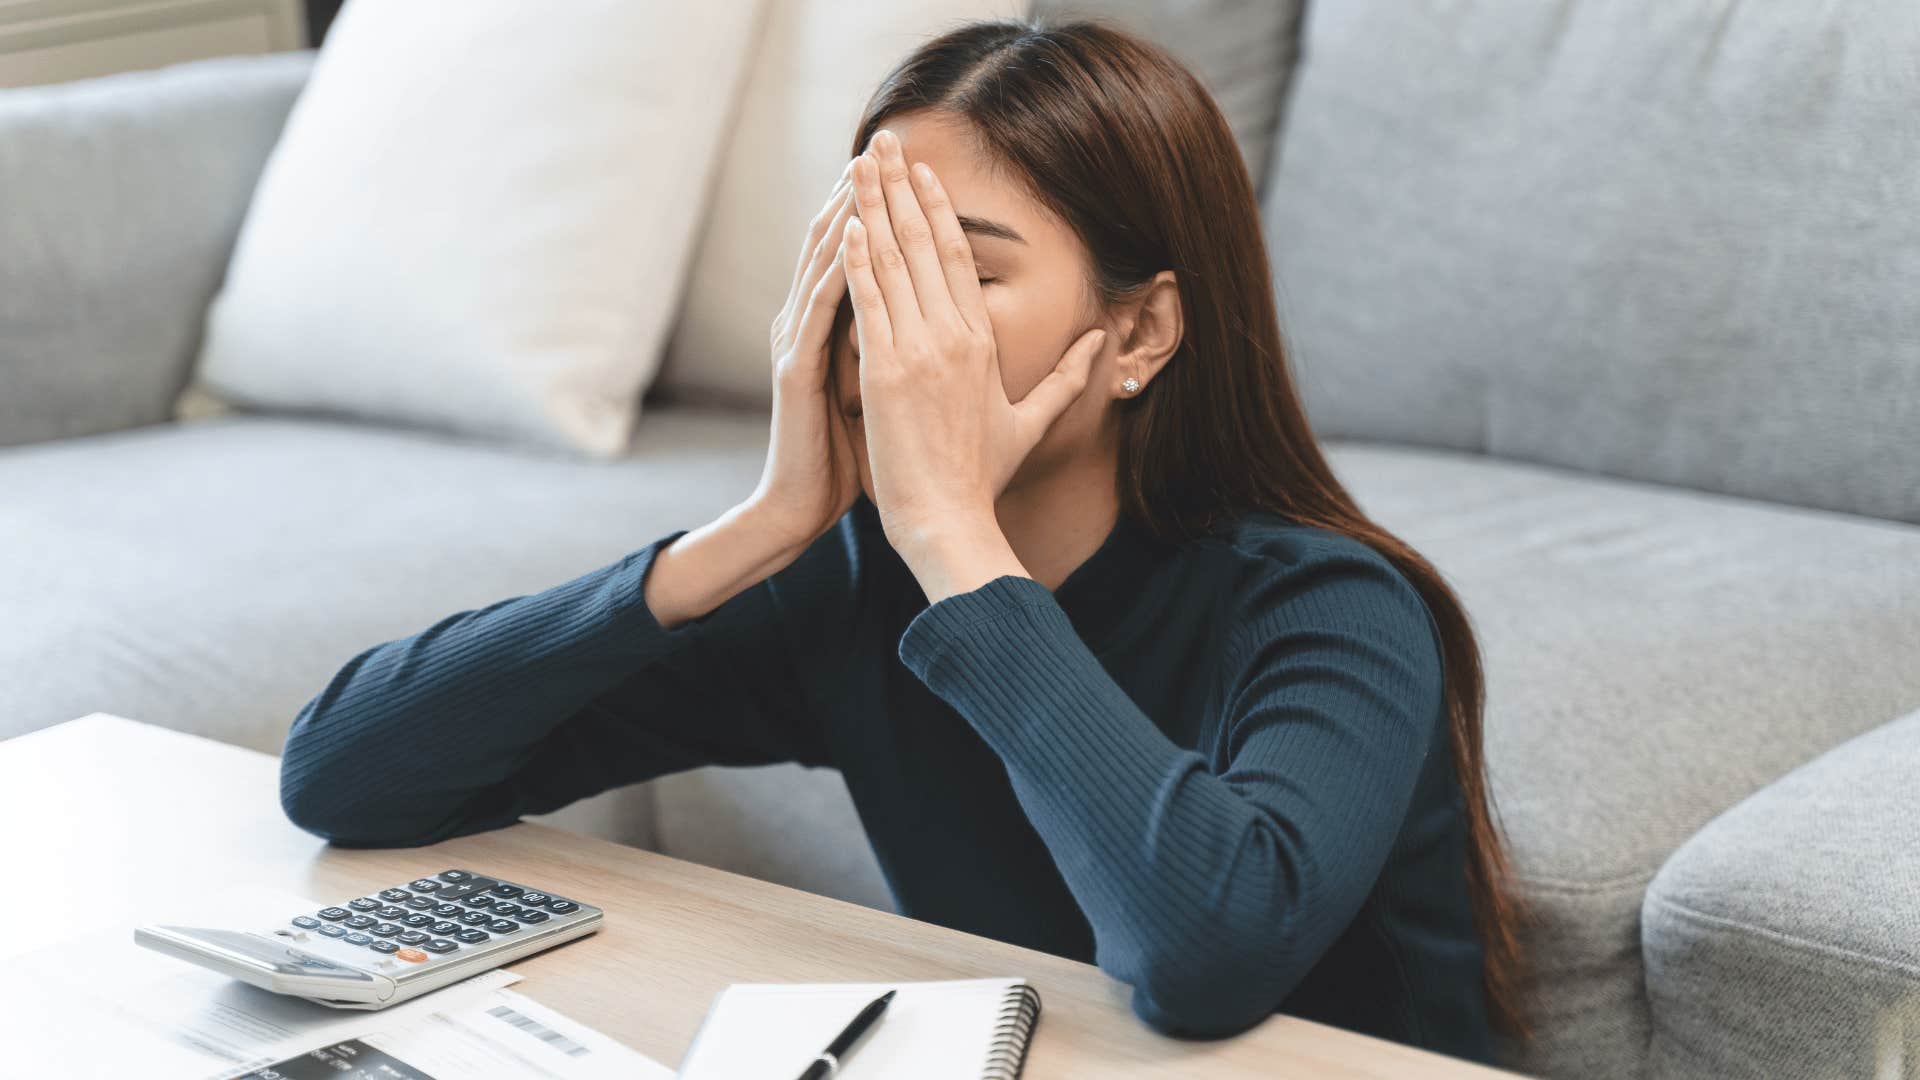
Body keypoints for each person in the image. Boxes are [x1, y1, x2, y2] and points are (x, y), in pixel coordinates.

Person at [279, 16, 1532, 1065]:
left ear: (1141, 336)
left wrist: (951, 536)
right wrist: (755, 530)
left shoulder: (1331, 607)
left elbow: (1202, 960)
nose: (890, 324)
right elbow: (347, 778)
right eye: (872, 264)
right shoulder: (848, 587)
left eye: (960, 276)